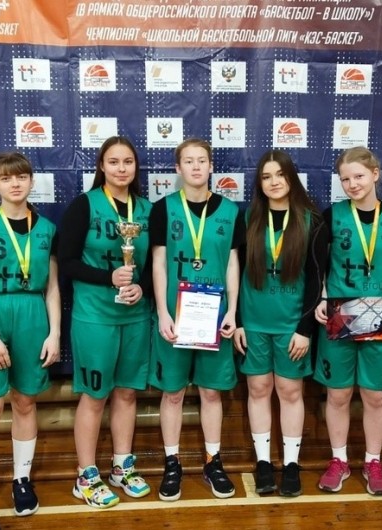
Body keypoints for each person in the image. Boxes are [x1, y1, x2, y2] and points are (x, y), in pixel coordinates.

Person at [0, 152, 61, 530]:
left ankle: (21, 480)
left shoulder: (47, 228)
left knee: (25, 402)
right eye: (6, 178)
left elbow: (52, 288)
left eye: (20, 177)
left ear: (31, 181)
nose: (15, 184)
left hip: (32, 315)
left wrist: (54, 332)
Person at [58, 136, 153, 508]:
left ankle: (121, 468)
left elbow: (153, 265)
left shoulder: (146, 209)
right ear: (101, 166)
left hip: (135, 315)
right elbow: (66, 262)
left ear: (135, 166)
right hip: (95, 316)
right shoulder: (85, 205)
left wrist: (142, 287)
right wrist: (107, 278)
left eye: (128, 161)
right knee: (96, 395)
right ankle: (86, 476)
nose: (121, 168)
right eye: (113, 162)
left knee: (127, 393)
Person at [148, 137, 244, 501]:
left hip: (214, 314)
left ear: (211, 165)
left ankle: (212, 461)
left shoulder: (230, 211)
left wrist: (232, 311)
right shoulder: (163, 209)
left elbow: (232, 263)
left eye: (202, 160)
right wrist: (162, 312)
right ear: (178, 168)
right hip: (176, 313)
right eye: (188, 161)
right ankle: (172, 463)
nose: (196, 167)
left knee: (210, 391)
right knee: (173, 392)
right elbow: (158, 263)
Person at [314, 146, 382, 497]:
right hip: (342, 309)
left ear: (375, 174)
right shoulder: (333, 215)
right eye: (345, 179)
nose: (352, 184)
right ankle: (339, 460)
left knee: (374, 395)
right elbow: (320, 264)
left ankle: (373, 461)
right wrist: (322, 297)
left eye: (359, 176)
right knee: (338, 393)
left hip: (380, 309)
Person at [233, 150, 327, 497]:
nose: (274, 182)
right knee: (258, 389)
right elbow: (236, 271)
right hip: (254, 323)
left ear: (291, 178)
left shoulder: (311, 220)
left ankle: (290, 464)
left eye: (280, 175)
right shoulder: (248, 218)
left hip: (292, 325)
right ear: (259, 183)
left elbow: (317, 279)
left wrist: (305, 329)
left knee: (290, 391)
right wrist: (238, 322)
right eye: (266, 176)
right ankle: (262, 463)